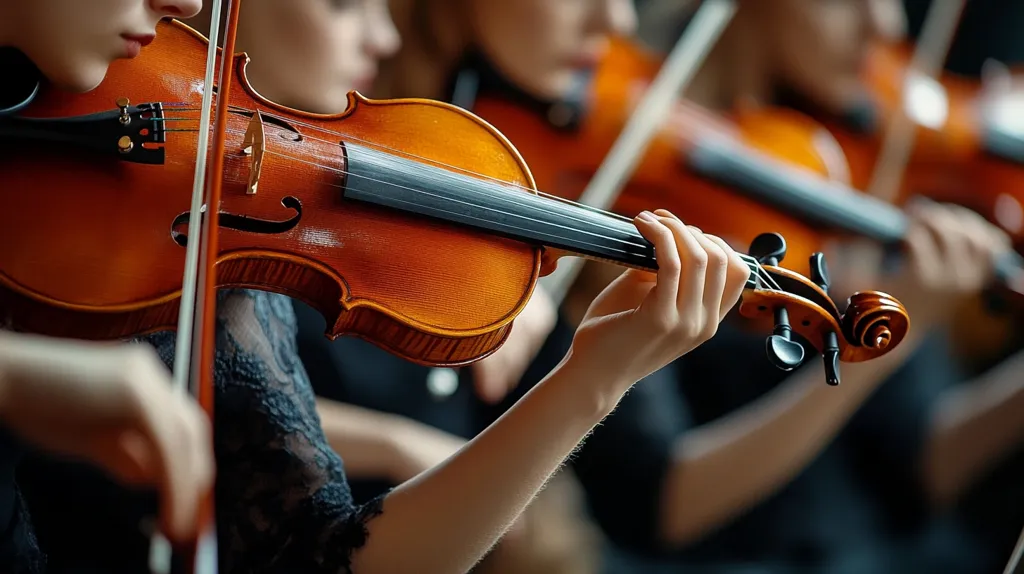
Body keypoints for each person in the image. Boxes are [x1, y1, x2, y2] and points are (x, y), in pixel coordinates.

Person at [2, 1, 758, 573]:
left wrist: (593, 379)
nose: (191, 3)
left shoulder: (204, 216)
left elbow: (326, 555)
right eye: (342, 0)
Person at [369, 0, 1022, 572]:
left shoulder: (835, 168)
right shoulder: (563, 162)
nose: (884, 23)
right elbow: (654, 506)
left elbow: (914, 463)